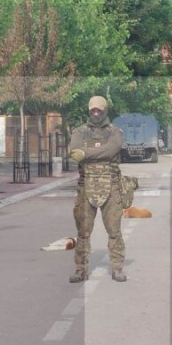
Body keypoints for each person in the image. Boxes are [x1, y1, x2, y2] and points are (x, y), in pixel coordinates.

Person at [69, 96, 127, 283]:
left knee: (114, 231)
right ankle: (80, 269)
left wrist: (86, 153)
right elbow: (74, 152)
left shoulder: (114, 131)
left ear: (105, 111)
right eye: (93, 110)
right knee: (83, 232)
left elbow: (111, 150)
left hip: (111, 186)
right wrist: (98, 152)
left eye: (99, 111)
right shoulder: (80, 131)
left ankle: (117, 268)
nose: (95, 114)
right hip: (86, 186)